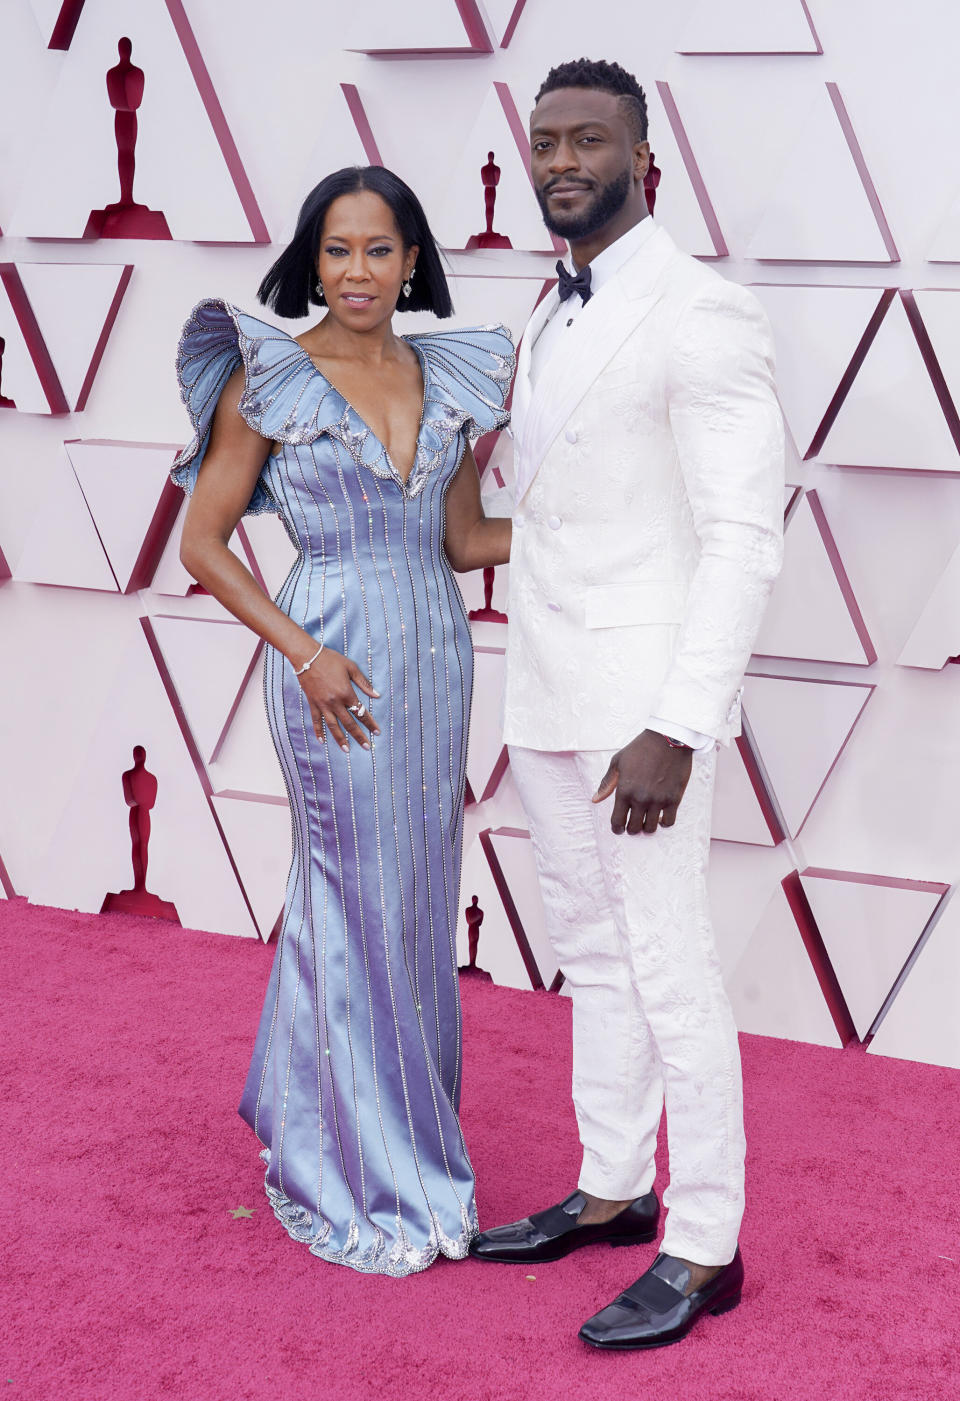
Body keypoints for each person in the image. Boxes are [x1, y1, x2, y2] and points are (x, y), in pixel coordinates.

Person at [469, 59, 784, 1349]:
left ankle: (705, 1243)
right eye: (545, 140)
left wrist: (680, 722)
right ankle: (614, 1186)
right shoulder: (547, 305)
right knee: (591, 954)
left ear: (645, 163)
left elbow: (743, 536)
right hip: (544, 683)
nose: (560, 160)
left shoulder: (704, 313)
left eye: (588, 140)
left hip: (643, 710)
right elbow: (541, 508)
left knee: (667, 966)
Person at [170, 166, 514, 1275]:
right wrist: (306, 654)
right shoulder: (269, 378)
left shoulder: (448, 372)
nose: (357, 272)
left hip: (434, 652)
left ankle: (395, 1136)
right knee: (351, 893)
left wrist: (605, 530)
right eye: (336, 250)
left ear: (413, 259)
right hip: (330, 659)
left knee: (413, 903)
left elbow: (463, 543)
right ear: (309, 261)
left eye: (378, 250)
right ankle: (350, 1167)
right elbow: (204, 546)